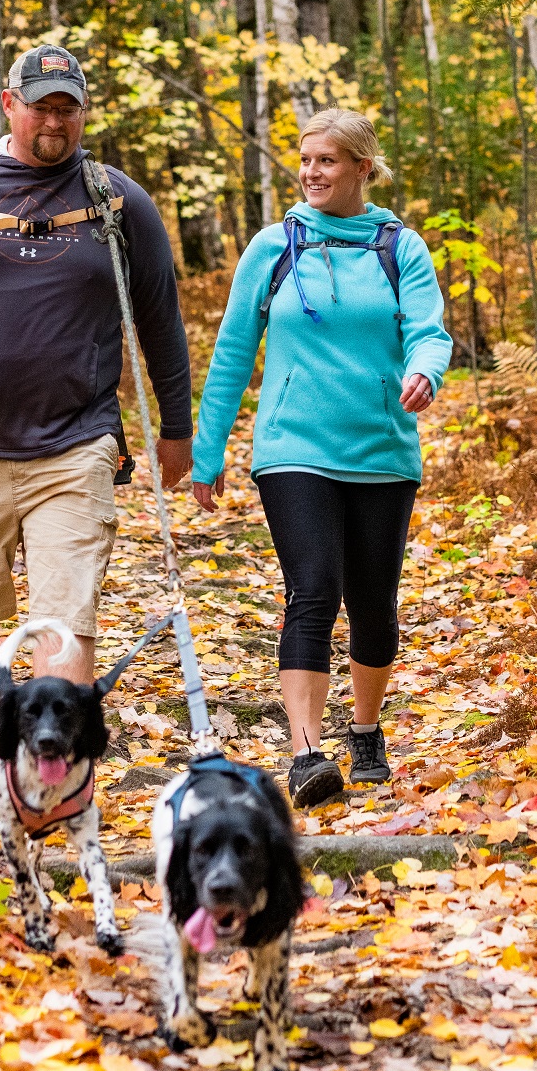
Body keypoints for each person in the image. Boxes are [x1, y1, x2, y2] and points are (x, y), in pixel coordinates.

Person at [0, 43, 193, 799]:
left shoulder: (118, 200)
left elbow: (161, 321)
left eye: (69, 106)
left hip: (75, 445)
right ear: (9, 103)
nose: (56, 119)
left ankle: (52, 781)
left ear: (83, 111)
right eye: (43, 104)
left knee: (66, 620)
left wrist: (177, 432)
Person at [188, 109, 454, 805]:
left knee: (374, 606)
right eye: (305, 160)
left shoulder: (401, 247)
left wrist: (426, 370)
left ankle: (365, 731)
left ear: (364, 168)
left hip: (381, 448)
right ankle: (306, 753)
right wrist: (207, 453)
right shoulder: (274, 248)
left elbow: (430, 332)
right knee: (312, 590)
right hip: (292, 448)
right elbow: (231, 357)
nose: (311, 172)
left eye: (327, 161)